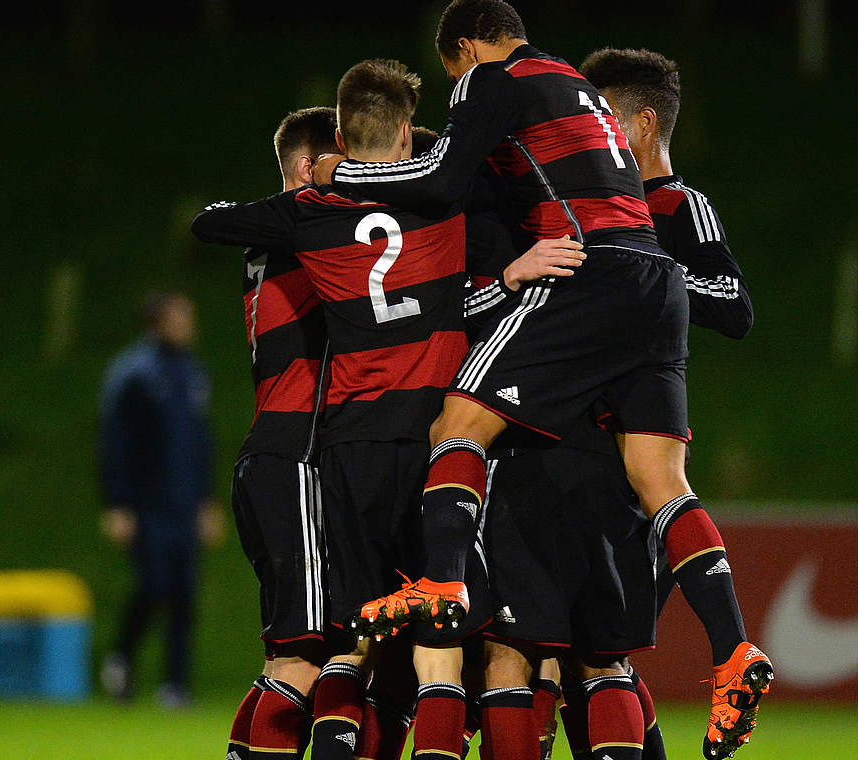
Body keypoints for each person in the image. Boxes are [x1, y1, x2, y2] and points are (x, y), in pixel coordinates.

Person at [315, 5, 774, 757]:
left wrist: (350, 173)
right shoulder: (574, 83)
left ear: (463, 48)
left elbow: (440, 179)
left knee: (458, 423)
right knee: (661, 479)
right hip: (656, 286)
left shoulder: (492, 78)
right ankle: (733, 651)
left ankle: (441, 582)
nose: (459, 90)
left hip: (588, 274)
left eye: (453, 73)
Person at [193, 58, 583, 760]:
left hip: (347, 446)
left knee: (352, 645)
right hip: (432, 446)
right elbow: (464, 301)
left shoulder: (305, 217)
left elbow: (209, 221)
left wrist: (315, 185)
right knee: (442, 650)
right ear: (407, 132)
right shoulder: (447, 202)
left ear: (340, 137)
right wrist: (512, 273)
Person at [223, 106, 337, 760]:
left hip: (266, 452)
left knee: (283, 655)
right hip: (296, 457)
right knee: (307, 654)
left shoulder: (269, 237)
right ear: (304, 168)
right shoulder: (309, 230)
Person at [97, 291, 221, 708]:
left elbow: (202, 443)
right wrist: (117, 503)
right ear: (157, 321)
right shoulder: (133, 373)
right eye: (180, 316)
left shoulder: (192, 372)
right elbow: (115, 442)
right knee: (154, 586)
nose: (189, 324)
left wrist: (208, 500)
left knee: (185, 593)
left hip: (185, 503)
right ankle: (121, 659)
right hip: (146, 505)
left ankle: (175, 685)